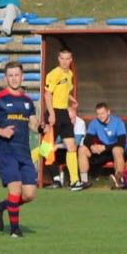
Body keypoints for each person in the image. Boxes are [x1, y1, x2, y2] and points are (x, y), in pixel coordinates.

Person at [0, 62, 39, 238]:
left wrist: (40, 127)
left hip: (24, 151)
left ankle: (0, 207)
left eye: (17, 75)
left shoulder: (28, 101)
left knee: (29, 195)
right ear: (6, 78)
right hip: (5, 150)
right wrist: (1, 132)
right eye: (10, 75)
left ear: (22, 76)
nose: (14, 78)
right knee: (15, 189)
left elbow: (33, 124)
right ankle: (15, 230)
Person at [43, 49, 81, 188]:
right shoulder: (54, 74)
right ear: (58, 59)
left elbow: (65, 90)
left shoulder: (70, 73)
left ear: (71, 60)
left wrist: (72, 99)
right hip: (54, 112)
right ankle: (55, 178)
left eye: (67, 59)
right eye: (62, 59)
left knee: (72, 146)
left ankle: (75, 181)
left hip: (64, 113)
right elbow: (48, 95)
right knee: (46, 148)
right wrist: (51, 114)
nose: (65, 62)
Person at [74, 102, 127, 191]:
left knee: (116, 150)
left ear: (108, 112)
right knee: (82, 149)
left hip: (115, 150)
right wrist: (92, 147)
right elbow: (87, 140)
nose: (100, 116)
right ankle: (84, 181)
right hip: (101, 152)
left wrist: (105, 147)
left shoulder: (118, 122)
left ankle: (119, 180)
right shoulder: (94, 123)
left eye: (102, 113)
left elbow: (122, 142)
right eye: (98, 114)